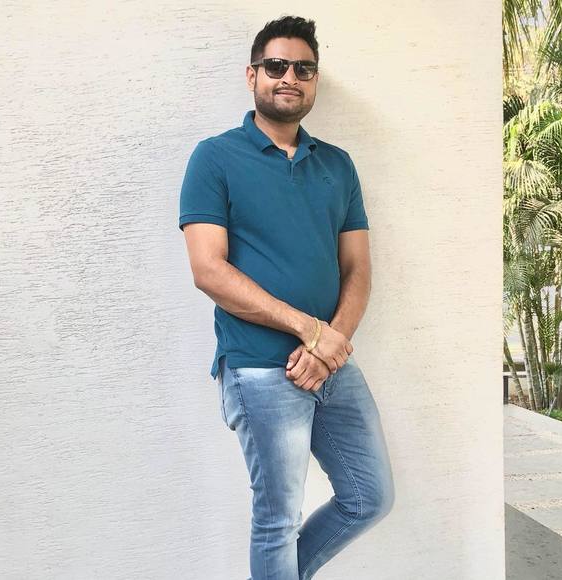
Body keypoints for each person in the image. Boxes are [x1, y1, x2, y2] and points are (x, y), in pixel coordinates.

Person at [178, 15, 395, 580]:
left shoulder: (337, 164)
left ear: (315, 80)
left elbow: (358, 268)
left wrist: (330, 344)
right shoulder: (215, 158)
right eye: (276, 66)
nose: (289, 77)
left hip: (332, 363)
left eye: (304, 68)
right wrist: (311, 331)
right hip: (258, 368)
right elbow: (208, 270)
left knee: (369, 496)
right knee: (277, 521)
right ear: (252, 75)